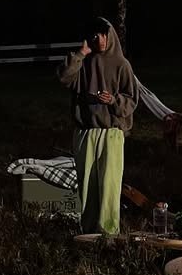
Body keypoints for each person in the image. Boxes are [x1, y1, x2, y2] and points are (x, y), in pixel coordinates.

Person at [57, 16, 138, 238]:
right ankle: (88, 232)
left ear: (109, 35)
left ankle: (109, 232)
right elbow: (64, 78)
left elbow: (131, 100)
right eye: (94, 35)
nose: (99, 39)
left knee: (109, 183)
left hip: (111, 132)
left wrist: (112, 101)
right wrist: (81, 54)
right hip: (86, 131)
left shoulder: (121, 64)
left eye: (102, 34)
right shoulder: (83, 62)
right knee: (87, 184)